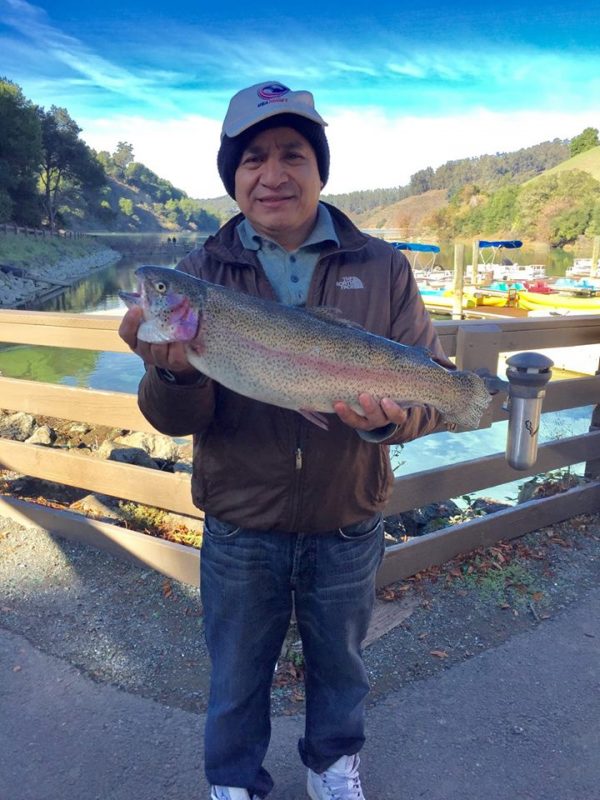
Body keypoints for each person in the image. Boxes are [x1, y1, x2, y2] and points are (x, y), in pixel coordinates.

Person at [119, 80, 453, 800]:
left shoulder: (384, 266)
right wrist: (173, 376)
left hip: (348, 518)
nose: (272, 174)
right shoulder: (199, 274)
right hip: (241, 520)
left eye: (292, 154)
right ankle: (234, 780)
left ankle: (332, 766)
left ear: (320, 168)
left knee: (343, 665)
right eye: (253, 159)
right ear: (234, 179)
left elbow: (433, 387)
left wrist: (394, 419)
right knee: (236, 670)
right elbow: (175, 422)